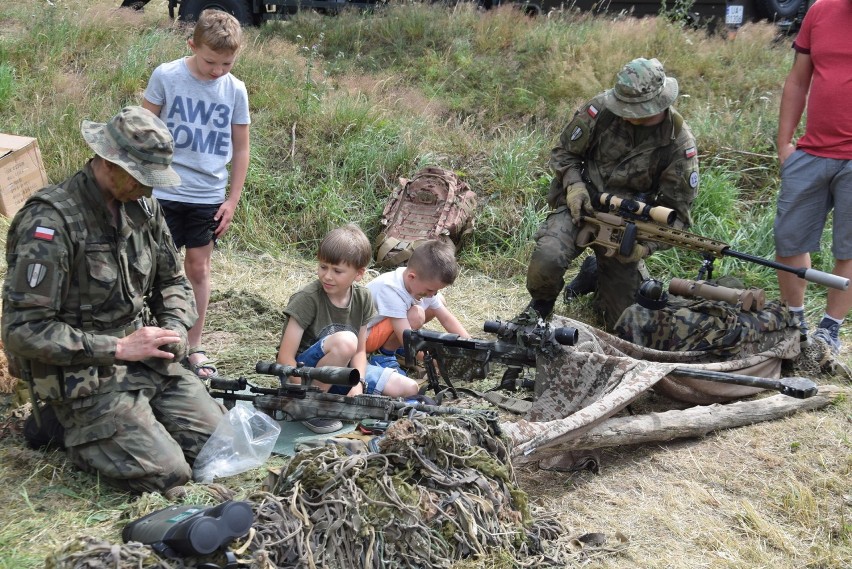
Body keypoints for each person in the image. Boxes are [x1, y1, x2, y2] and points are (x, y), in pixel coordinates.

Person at [1, 106, 226, 494]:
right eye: (142, 177)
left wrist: (173, 328)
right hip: (84, 376)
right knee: (170, 474)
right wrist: (119, 347)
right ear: (107, 161)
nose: (151, 189)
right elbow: (22, 330)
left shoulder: (144, 208)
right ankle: (64, 427)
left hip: (147, 362)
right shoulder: (51, 223)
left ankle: (126, 422)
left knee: (221, 449)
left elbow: (172, 280)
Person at [525, 57, 700, 331]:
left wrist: (644, 247)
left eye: (634, 109)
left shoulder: (678, 144)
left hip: (626, 229)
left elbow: (676, 218)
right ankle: (541, 306)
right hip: (582, 207)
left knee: (624, 322)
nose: (626, 114)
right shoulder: (602, 111)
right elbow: (564, 153)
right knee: (547, 258)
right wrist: (574, 186)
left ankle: (595, 274)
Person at [142, 9, 251, 379]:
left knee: (198, 268)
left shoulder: (235, 89)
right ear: (192, 45)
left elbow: (241, 148)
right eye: (210, 61)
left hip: (207, 195)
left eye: (227, 63)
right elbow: (142, 130)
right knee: (151, 267)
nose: (218, 70)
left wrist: (232, 199)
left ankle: (194, 345)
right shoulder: (166, 76)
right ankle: (150, 338)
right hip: (163, 189)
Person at [277, 224, 417, 434]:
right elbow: (285, 358)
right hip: (305, 377)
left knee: (409, 387)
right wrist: (301, 388)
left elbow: (361, 351)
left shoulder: (362, 297)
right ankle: (312, 407)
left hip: (344, 373)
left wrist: (358, 383)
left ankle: (336, 398)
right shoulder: (306, 299)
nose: (327, 276)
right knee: (345, 341)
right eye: (323, 267)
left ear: (359, 274)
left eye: (337, 271)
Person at [774, 0, 852, 355]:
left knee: (849, 249)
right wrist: (785, 144)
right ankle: (795, 325)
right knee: (789, 241)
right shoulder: (821, 10)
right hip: (811, 153)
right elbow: (798, 80)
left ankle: (830, 331)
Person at [365, 239, 471, 364]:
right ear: (411, 277)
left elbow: (446, 318)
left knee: (438, 302)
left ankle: (397, 347)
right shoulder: (391, 290)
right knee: (416, 315)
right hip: (366, 337)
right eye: (431, 289)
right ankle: (385, 354)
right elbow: (406, 337)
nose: (434, 294)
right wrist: (438, 363)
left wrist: (470, 345)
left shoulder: (415, 280)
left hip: (389, 327)